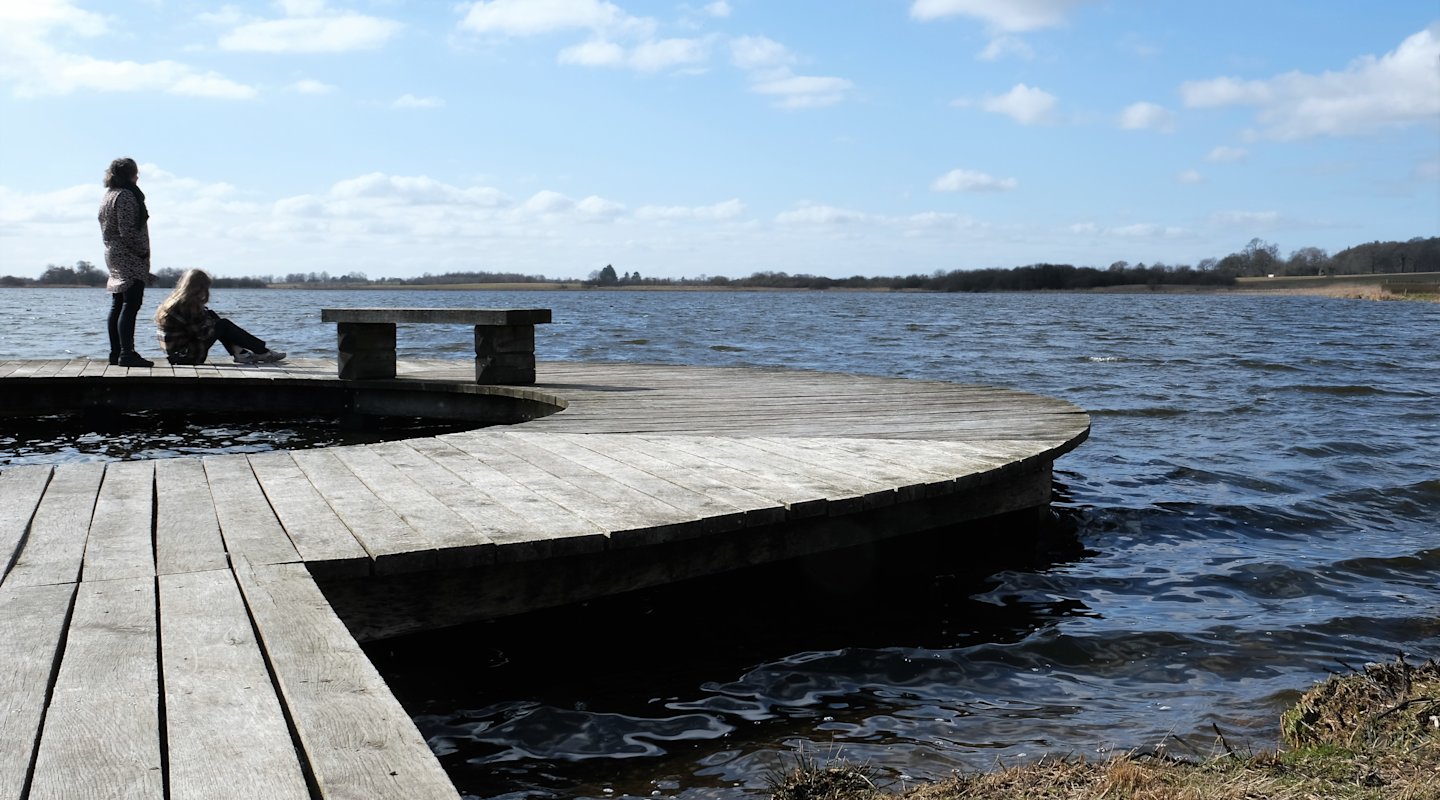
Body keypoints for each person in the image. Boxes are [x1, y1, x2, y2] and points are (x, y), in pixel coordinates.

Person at [153, 269, 286, 365]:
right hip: (187, 357)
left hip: (176, 356)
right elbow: (202, 334)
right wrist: (214, 324)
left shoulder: (173, 301)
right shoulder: (187, 305)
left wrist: (209, 319)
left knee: (214, 318)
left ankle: (241, 353)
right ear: (199, 287)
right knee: (223, 324)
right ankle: (261, 351)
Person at [99, 157, 158, 366]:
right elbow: (128, 231)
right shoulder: (125, 196)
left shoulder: (109, 195)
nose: (138, 177)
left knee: (118, 304)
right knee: (130, 304)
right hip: (128, 256)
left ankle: (116, 353)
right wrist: (142, 252)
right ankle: (127, 354)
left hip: (113, 253)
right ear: (131, 174)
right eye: (136, 173)